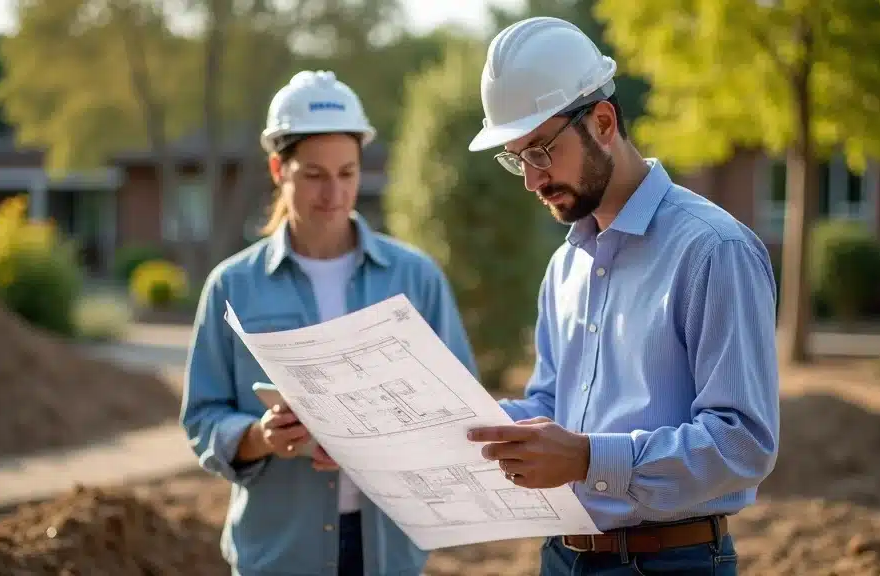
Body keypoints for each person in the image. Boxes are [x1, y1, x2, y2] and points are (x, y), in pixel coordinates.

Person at [464, 17, 780, 576]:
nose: (531, 181)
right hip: (561, 557)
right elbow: (549, 408)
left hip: (671, 564)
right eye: (517, 157)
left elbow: (744, 443)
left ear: (604, 122)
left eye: (540, 151)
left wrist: (588, 458)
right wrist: (453, 420)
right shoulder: (565, 267)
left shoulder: (713, 250)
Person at [180, 70, 478, 576]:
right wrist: (261, 437)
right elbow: (202, 417)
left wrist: (383, 440)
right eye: (313, 174)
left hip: (389, 551)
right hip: (278, 552)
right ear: (279, 169)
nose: (333, 193)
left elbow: (460, 412)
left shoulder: (415, 277)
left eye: (347, 173)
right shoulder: (231, 286)